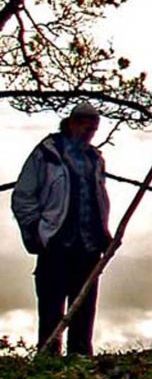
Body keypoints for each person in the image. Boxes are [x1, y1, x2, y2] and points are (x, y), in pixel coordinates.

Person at [12, 103, 111, 355]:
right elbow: (23, 196)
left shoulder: (94, 159)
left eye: (94, 129)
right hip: (56, 245)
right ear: (71, 123)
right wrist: (37, 231)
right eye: (86, 126)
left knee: (84, 309)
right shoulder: (47, 154)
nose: (89, 133)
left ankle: (79, 361)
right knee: (51, 310)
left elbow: (97, 197)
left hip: (88, 246)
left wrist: (103, 232)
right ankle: (48, 359)